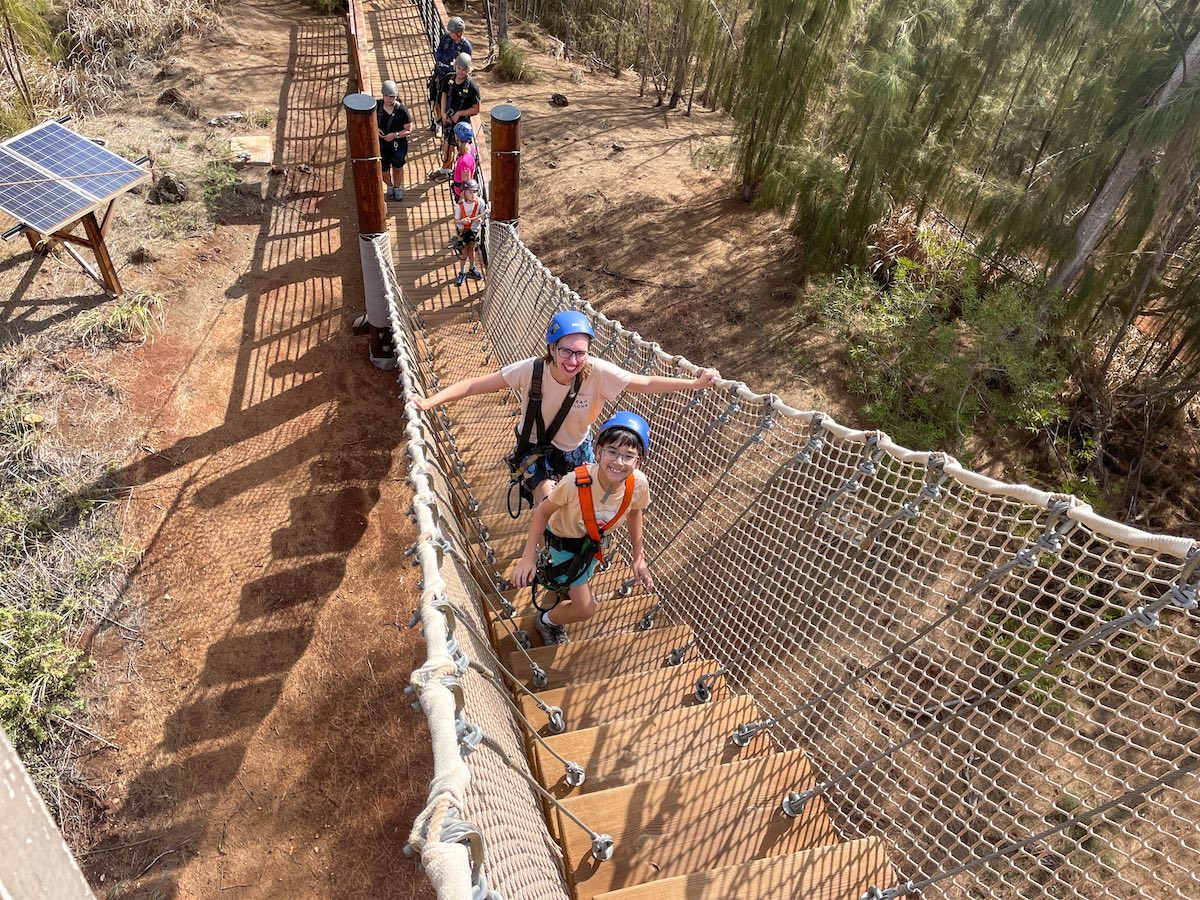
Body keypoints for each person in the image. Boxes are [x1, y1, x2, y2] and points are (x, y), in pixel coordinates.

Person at [413, 310, 720, 510]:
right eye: (565, 351)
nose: (573, 361)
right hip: (534, 447)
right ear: (551, 349)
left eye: (580, 353)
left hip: (576, 447)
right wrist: (430, 402)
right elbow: (476, 386)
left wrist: (694, 385)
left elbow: (646, 382)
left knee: (587, 502)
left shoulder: (597, 372)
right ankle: (544, 552)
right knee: (551, 501)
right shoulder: (531, 371)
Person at [508, 412, 654, 645]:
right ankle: (547, 620)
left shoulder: (638, 484)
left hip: (592, 542)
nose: (618, 462)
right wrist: (528, 558)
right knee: (585, 609)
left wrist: (639, 558)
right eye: (612, 452)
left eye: (628, 456)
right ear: (597, 451)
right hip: (564, 543)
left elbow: (635, 512)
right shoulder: (574, 482)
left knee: (582, 574)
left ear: (639, 461)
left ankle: (567, 586)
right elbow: (543, 511)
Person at [433, 53, 480, 180]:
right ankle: (446, 168)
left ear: (468, 70)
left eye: (463, 70)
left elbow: (476, 109)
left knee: (461, 149)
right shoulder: (449, 79)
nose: (460, 72)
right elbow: (443, 94)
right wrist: (443, 113)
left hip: (462, 124)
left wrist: (459, 114)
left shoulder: (472, 87)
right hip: (448, 118)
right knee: (447, 143)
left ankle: (456, 174)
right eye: (459, 68)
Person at [429, 17, 471, 134]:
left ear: (458, 33)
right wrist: (439, 62)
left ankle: (448, 123)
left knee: (451, 101)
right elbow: (439, 50)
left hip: (454, 78)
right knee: (436, 97)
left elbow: (466, 67)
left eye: (452, 32)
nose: (449, 34)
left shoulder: (466, 47)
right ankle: (438, 122)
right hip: (440, 74)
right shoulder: (446, 38)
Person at [377, 80, 413, 202]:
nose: (388, 99)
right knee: (383, 170)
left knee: (397, 167)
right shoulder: (376, 107)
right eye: (386, 95)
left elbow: (408, 130)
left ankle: (397, 188)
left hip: (398, 144)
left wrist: (395, 135)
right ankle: (389, 186)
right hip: (382, 145)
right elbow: (367, 121)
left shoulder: (402, 110)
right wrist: (376, 129)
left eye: (391, 96)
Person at [451, 179, 485, 286]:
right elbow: (456, 221)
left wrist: (480, 219)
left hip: (474, 230)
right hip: (462, 231)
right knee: (463, 252)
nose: (473, 194)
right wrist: (462, 221)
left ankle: (472, 267)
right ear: (464, 192)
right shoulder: (460, 206)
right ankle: (462, 271)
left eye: (474, 191)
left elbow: (483, 215)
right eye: (470, 192)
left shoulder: (480, 202)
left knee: (471, 250)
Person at [450, 121, 477, 202]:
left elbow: (466, 185)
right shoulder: (471, 148)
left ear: (457, 137)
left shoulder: (464, 161)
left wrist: (461, 203)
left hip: (461, 196)